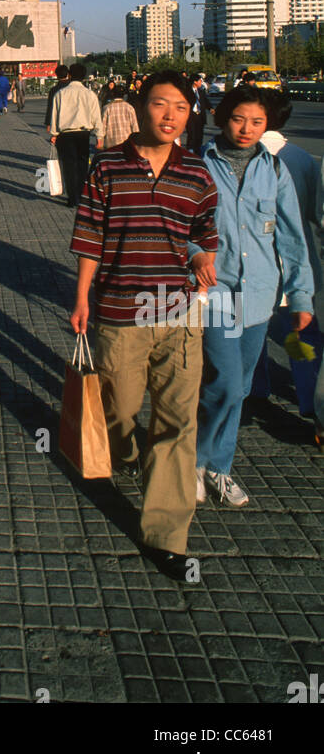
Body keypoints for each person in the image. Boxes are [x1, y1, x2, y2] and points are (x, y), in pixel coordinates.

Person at [70, 71, 219, 582]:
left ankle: (167, 535)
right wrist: (81, 299)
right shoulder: (107, 165)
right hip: (118, 315)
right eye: (161, 105)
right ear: (141, 107)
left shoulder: (196, 173)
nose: (171, 115)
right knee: (120, 409)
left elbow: (204, 230)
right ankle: (127, 450)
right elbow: (90, 233)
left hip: (178, 315)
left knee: (178, 425)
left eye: (181, 107)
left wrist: (203, 261)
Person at [192, 85, 314, 508]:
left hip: (260, 293)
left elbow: (293, 239)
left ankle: (218, 470)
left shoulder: (275, 170)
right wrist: (194, 255)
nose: (246, 129)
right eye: (239, 118)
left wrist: (301, 298)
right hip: (218, 292)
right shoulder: (197, 165)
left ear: (269, 125)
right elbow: (179, 226)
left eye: (257, 122)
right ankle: (196, 462)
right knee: (224, 381)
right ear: (223, 117)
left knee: (240, 388)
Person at [248, 93, 324, 430]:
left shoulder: (241, 156)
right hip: (297, 264)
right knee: (302, 332)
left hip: (253, 267)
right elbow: (314, 215)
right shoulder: (302, 158)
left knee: (255, 332)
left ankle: (257, 391)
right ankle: (309, 401)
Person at [49, 63, 104, 207]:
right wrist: (100, 137)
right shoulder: (89, 94)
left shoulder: (60, 94)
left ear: (69, 75)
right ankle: (81, 195)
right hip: (83, 135)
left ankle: (71, 198)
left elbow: (54, 115)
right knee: (82, 165)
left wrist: (54, 134)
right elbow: (96, 117)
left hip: (65, 135)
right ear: (84, 77)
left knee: (68, 166)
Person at [185, 75, 213, 155]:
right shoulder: (187, 92)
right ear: (195, 82)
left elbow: (205, 101)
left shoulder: (201, 91)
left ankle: (198, 152)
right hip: (191, 116)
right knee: (191, 135)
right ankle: (189, 152)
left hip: (200, 116)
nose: (201, 83)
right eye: (200, 81)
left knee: (199, 135)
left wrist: (211, 108)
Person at [44, 64, 70, 130]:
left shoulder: (54, 90)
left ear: (57, 75)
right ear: (67, 74)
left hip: (59, 121)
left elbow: (50, 107)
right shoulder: (72, 87)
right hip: (73, 121)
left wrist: (48, 123)